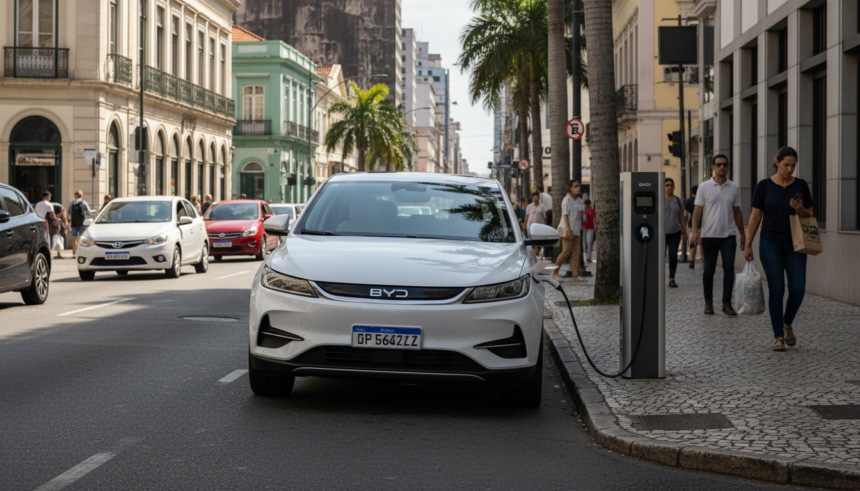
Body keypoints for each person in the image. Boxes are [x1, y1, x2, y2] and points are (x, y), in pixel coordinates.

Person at [744, 147, 814, 352]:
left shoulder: (800, 185)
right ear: (777, 162)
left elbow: (810, 214)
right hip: (770, 243)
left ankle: (787, 322)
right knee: (777, 289)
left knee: (798, 290)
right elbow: (755, 217)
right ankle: (778, 337)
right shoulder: (764, 186)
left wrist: (801, 209)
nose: (790, 169)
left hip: (796, 244)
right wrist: (748, 244)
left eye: (793, 165)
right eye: (786, 165)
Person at [690, 155, 746, 316]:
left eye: (725, 164)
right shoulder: (704, 187)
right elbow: (697, 211)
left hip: (728, 235)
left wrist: (742, 234)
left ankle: (726, 303)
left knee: (729, 269)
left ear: (728, 167)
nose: (722, 167)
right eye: (719, 164)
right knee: (709, 270)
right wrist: (694, 231)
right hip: (709, 235)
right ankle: (708, 303)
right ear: (713, 167)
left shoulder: (734, 187)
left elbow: (737, 211)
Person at [552, 180, 585, 281]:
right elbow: (565, 215)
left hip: (577, 229)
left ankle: (576, 275)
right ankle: (554, 273)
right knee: (566, 252)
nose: (578, 188)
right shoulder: (566, 200)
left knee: (577, 252)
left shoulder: (579, 200)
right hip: (566, 228)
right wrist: (568, 230)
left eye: (578, 186)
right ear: (570, 188)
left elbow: (581, 213)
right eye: (575, 186)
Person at [664, 178, 688, 288]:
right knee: (660, 256)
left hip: (675, 232)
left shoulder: (678, 200)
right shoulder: (659, 199)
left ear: (673, 187)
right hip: (661, 233)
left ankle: (671, 278)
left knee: (673, 256)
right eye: (667, 185)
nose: (669, 187)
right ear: (663, 187)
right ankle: (658, 278)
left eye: (671, 185)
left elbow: (681, 218)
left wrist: (685, 232)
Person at [68, 191, 92, 256]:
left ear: (74, 196)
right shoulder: (84, 202)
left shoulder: (71, 203)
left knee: (74, 238)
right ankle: (82, 252)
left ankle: (74, 253)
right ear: (81, 195)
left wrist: (68, 221)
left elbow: (68, 212)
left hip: (74, 223)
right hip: (82, 223)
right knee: (82, 238)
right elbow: (89, 212)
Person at [686, 185, 702, 270]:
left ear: (692, 192)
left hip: (691, 225)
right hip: (703, 225)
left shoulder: (688, 201)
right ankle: (703, 262)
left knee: (692, 243)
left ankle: (692, 261)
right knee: (702, 244)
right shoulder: (702, 200)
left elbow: (684, 214)